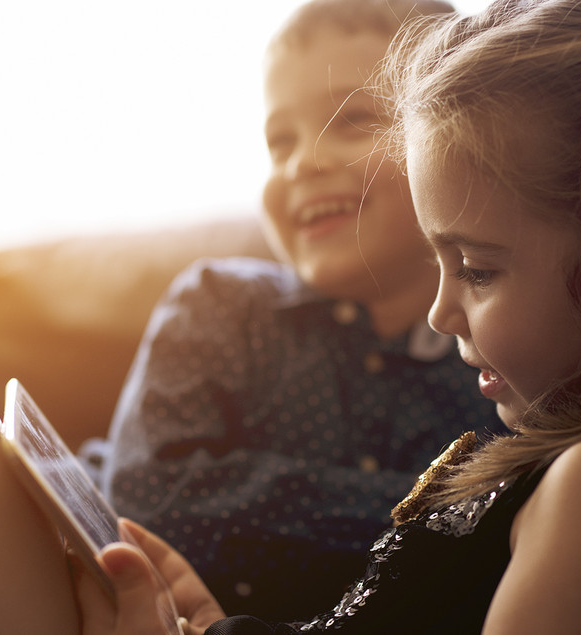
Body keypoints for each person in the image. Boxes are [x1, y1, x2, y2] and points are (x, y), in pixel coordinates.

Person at [0, 0, 581, 633]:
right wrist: (216, 623)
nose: (442, 306)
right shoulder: (549, 455)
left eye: (476, 268)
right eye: (277, 138)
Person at [93, 0, 502, 623]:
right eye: (278, 140)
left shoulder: (498, 361)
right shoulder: (219, 303)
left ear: (456, 144)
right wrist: (421, 511)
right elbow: (150, 499)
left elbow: (492, 547)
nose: (302, 162)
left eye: (354, 120)